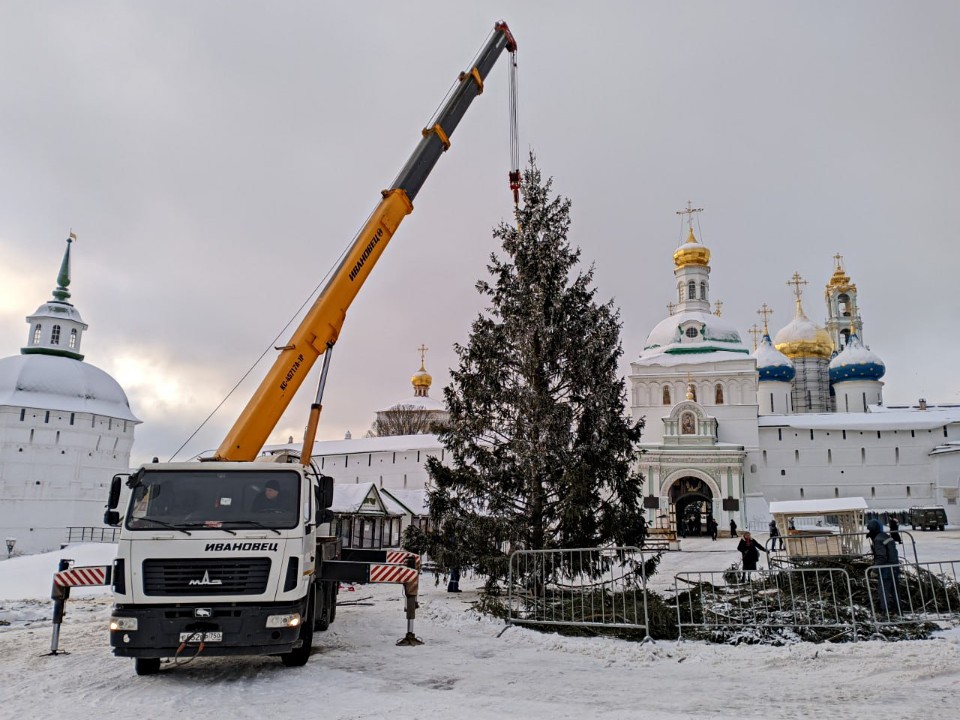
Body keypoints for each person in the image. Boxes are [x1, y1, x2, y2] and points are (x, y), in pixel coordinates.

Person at [867, 519, 901, 615]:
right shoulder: (886, 536)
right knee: (895, 590)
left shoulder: (878, 539)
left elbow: (881, 557)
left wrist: (874, 570)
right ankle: (898, 610)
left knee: (883, 591)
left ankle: (885, 611)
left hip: (886, 569)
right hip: (894, 567)